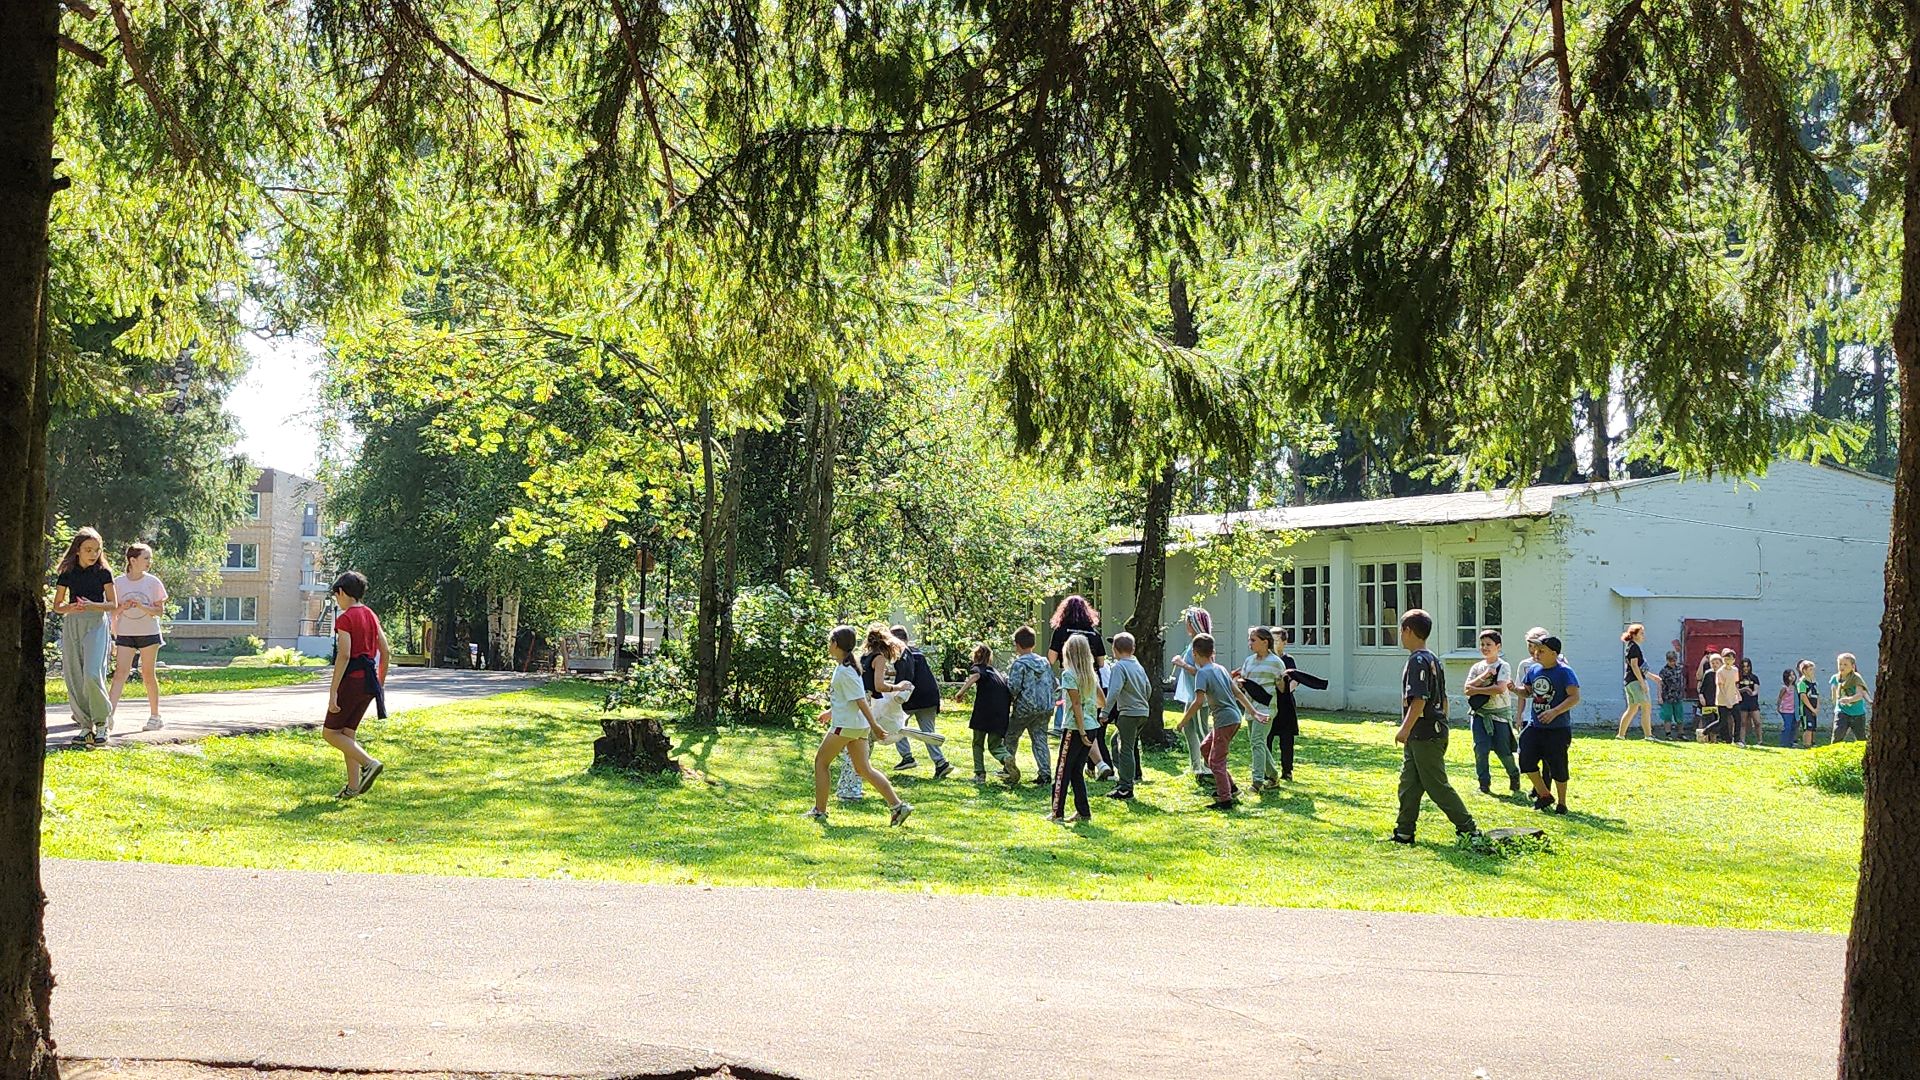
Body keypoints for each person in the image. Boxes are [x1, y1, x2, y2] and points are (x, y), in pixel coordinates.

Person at [807, 625, 912, 826]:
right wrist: (830, 712)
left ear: (836, 644)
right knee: (863, 769)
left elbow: (860, 700)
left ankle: (819, 811)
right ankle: (898, 807)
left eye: (830, 641)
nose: (828, 645)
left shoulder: (846, 669)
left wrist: (875, 725)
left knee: (821, 762)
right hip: (856, 726)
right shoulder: (848, 667)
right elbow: (848, 698)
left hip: (846, 726)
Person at [1390, 610, 1479, 844]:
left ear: (1408, 631)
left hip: (1426, 734)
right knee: (1409, 784)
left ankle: (1469, 830)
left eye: (1402, 630)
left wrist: (1404, 728)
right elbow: (1444, 697)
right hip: (1425, 734)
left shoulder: (1418, 660)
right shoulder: (1433, 659)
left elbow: (1420, 700)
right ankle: (1404, 832)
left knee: (1436, 785)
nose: (1400, 635)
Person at [324, 571, 390, 799]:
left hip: (352, 681)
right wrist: (379, 683)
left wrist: (333, 691)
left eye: (336, 596)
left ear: (341, 592)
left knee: (330, 733)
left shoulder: (345, 618)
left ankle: (369, 763)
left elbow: (344, 654)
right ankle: (353, 788)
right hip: (369, 682)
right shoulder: (371, 615)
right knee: (347, 734)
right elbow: (386, 651)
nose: (337, 601)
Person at [51, 527, 117, 747]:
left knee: (91, 673)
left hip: (96, 622)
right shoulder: (68, 573)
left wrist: (92, 605)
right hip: (73, 622)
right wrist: (70, 607)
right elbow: (57, 606)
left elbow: (113, 604)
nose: (93, 554)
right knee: (75, 675)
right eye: (88, 549)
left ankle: (102, 722)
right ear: (77, 550)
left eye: (97, 550)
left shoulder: (103, 573)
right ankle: (85, 726)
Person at [838, 625, 917, 801]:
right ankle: (851, 790)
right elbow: (879, 685)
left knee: (855, 746)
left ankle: (849, 786)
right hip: (865, 703)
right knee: (860, 746)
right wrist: (899, 687)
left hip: (854, 702)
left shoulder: (864, 656)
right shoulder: (879, 658)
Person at [1046, 596, 1115, 781]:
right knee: (1092, 721)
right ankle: (1096, 766)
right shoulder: (1094, 633)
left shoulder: (1060, 631)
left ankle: (1093, 765)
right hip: (1092, 679)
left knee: (1075, 721)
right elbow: (1101, 663)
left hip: (1071, 679)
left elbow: (1050, 659)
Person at [1517, 627, 1580, 814]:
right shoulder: (1534, 669)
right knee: (1525, 759)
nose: (1537, 654)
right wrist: (1514, 689)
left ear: (1554, 654)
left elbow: (1574, 697)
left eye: (1541, 651)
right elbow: (1527, 692)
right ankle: (1544, 794)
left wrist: (1555, 711)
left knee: (1557, 766)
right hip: (1535, 725)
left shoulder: (1565, 672)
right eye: (1535, 650)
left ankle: (1562, 803)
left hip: (1557, 728)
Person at [1176, 633, 1242, 810]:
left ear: (1195, 654)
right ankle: (1231, 787)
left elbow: (1197, 702)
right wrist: (1252, 711)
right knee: (1206, 748)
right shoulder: (1220, 668)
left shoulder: (1202, 674)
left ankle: (1225, 799)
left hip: (1224, 721)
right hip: (1233, 717)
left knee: (1216, 760)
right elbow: (1238, 693)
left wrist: (1183, 722)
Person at [108, 542, 168, 732]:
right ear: (132, 560)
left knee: (148, 674)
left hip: (149, 633)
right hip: (125, 633)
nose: (149, 562)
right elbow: (112, 611)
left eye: (149, 558)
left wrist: (142, 606)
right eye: (146, 558)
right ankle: (107, 716)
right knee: (120, 674)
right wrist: (123, 607)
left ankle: (155, 716)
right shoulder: (118, 583)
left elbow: (159, 611)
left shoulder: (152, 582)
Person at [1048, 633, 1104, 823]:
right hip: (1092, 726)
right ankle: (1083, 811)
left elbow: (1076, 703)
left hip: (1075, 728)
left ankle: (1057, 812)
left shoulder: (1069, 675)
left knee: (1062, 770)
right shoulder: (1091, 674)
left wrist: (1080, 730)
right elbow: (1101, 701)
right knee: (1076, 770)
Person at [889, 625, 952, 779]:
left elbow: (906, 677)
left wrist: (895, 692)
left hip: (913, 697)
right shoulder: (917, 652)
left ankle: (907, 757)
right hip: (930, 695)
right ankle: (940, 762)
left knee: (897, 724)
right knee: (928, 733)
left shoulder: (901, 653)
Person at [1464, 629, 1520, 796]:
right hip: (1479, 715)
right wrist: (1485, 675)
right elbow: (1467, 689)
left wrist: (1478, 689)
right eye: (1482, 644)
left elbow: (1500, 688)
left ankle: (1514, 775)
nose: (1485, 647)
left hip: (1499, 714)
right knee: (1480, 749)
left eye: (1489, 644)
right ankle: (1484, 783)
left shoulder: (1503, 666)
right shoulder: (1477, 667)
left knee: (1503, 750)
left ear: (1498, 646)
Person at [1266, 630, 1326, 782]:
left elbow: (1295, 680)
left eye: (1277, 640)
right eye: (1271, 640)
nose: (1274, 643)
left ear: (1284, 642)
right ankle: (1267, 769)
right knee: (1267, 736)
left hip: (1285, 703)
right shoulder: (1266, 659)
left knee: (1286, 738)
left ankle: (1287, 771)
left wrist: (1284, 692)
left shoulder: (1288, 660)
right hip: (1269, 702)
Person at [952, 644, 1018, 784]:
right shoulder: (998, 673)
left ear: (976, 657)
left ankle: (980, 775)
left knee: (977, 743)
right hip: (1001, 713)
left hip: (983, 712)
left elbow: (975, 676)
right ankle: (1006, 757)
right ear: (990, 658)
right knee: (995, 745)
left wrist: (960, 693)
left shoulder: (978, 668)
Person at [1234, 626, 1289, 792]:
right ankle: (1273, 776)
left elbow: (1281, 689)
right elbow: (1243, 682)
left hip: (1266, 709)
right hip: (1251, 708)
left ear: (1265, 642)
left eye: (1253, 640)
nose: (1250, 643)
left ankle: (1257, 782)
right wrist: (1240, 684)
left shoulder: (1276, 662)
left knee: (1257, 741)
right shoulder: (1249, 661)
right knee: (1257, 742)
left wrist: (1282, 682)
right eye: (1249, 640)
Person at [1102, 632, 1153, 799]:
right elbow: (1148, 688)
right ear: (1133, 649)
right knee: (1116, 743)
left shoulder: (1119, 666)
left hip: (1128, 713)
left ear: (1115, 649)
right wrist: (1143, 703)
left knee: (1125, 749)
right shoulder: (1138, 665)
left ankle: (1126, 787)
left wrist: (1105, 712)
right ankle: (1125, 777)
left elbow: (1114, 690)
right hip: (1143, 713)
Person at [1004, 626, 1055, 787]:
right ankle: (1045, 773)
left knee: (1011, 737)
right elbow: (1053, 683)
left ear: (1017, 645)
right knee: (1040, 739)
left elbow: (1013, 687)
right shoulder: (1045, 662)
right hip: (1045, 707)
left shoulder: (1019, 664)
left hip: (1025, 708)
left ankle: (1008, 769)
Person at [1169, 607, 1214, 778]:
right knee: (1189, 730)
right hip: (1191, 694)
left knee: (1203, 731)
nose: (1185, 625)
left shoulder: (1202, 643)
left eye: (1187, 621)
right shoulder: (1194, 643)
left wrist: (1181, 664)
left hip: (1199, 695)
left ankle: (1210, 767)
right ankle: (1196, 766)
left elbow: (1200, 672)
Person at [1616, 624, 1653, 739]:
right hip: (1635, 681)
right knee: (1646, 706)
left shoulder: (1632, 646)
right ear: (1634, 635)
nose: (1643, 636)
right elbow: (1634, 666)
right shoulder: (1634, 647)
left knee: (1632, 708)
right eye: (1641, 633)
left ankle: (1620, 735)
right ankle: (1648, 735)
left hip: (1629, 681)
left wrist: (1653, 677)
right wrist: (1642, 683)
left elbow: (1641, 668)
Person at [1829, 653, 1873, 743]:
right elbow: (1834, 692)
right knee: (1837, 735)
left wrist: (1849, 700)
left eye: (1845, 664)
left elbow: (1860, 695)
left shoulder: (1856, 678)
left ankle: (1863, 754)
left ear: (1853, 666)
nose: (1842, 667)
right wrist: (1835, 704)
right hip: (1842, 711)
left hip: (1857, 713)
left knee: (1861, 738)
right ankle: (1835, 753)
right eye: (1840, 664)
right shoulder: (1835, 678)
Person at [1656, 651, 1687, 740]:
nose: (1672, 662)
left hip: (1678, 696)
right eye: (1670, 660)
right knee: (1667, 716)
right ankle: (1668, 734)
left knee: (1679, 716)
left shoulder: (1680, 669)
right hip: (1667, 697)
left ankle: (1681, 733)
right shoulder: (1664, 671)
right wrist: (1659, 697)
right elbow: (1660, 684)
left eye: (1674, 660)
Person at [1697, 653, 1726, 743]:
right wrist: (1701, 697)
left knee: (1718, 720)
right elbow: (1702, 688)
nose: (1715, 665)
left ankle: (1715, 739)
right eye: (1713, 663)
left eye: (1717, 663)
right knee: (1707, 719)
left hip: (1719, 700)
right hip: (1708, 699)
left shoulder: (1724, 673)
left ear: (1721, 663)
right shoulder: (1708, 673)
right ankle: (1704, 738)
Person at [1735, 657, 1762, 748]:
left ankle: (1760, 741)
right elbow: (1736, 689)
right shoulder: (1738, 677)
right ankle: (1742, 740)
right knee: (1743, 723)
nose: (1746, 668)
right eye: (1744, 666)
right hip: (1742, 702)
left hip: (1753, 703)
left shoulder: (1754, 677)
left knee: (1757, 722)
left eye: (1747, 666)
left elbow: (1756, 690)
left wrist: (1752, 692)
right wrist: (1744, 689)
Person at [1715, 648, 1740, 746]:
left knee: (1738, 719)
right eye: (1726, 659)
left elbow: (1734, 684)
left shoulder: (1735, 670)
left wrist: (1737, 695)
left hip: (1733, 699)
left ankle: (1737, 740)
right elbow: (1721, 687)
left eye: (1730, 659)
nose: (1728, 661)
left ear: (1734, 660)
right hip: (1722, 700)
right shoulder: (1720, 672)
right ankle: (1705, 731)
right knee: (1722, 721)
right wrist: (1727, 701)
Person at [1795, 659, 1820, 750]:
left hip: (1814, 708)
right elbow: (1803, 697)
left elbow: (1817, 696)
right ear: (1804, 671)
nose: (1812, 672)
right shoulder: (1802, 683)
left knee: (1813, 727)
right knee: (1808, 728)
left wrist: (1817, 708)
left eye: (1813, 669)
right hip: (1806, 709)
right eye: (1810, 669)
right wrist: (1811, 709)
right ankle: (1807, 745)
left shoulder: (1814, 683)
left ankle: (1812, 743)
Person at [1776, 669, 1800, 749]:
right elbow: (1780, 698)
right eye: (1790, 675)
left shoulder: (1796, 687)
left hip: (1794, 710)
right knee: (1787, 726)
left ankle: (1791, 742)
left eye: (1793, 675)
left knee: (1794, 726)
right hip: (1786, 710)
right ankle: (1784, 742)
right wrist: (1778, 707)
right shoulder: (1784, 688)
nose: (1792, 677)